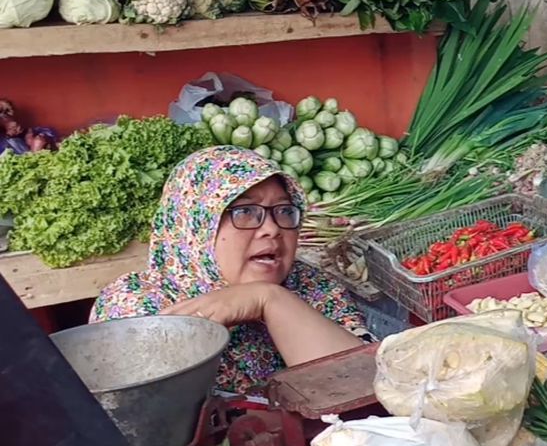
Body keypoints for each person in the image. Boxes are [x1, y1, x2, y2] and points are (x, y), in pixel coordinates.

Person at [91, 146, 366, 393]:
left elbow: (364, 386)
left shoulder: (312, 287)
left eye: (283, 211)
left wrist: (270, 299)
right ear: (195, 225)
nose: (272, 229)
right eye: (244, 211)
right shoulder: (137, 305)